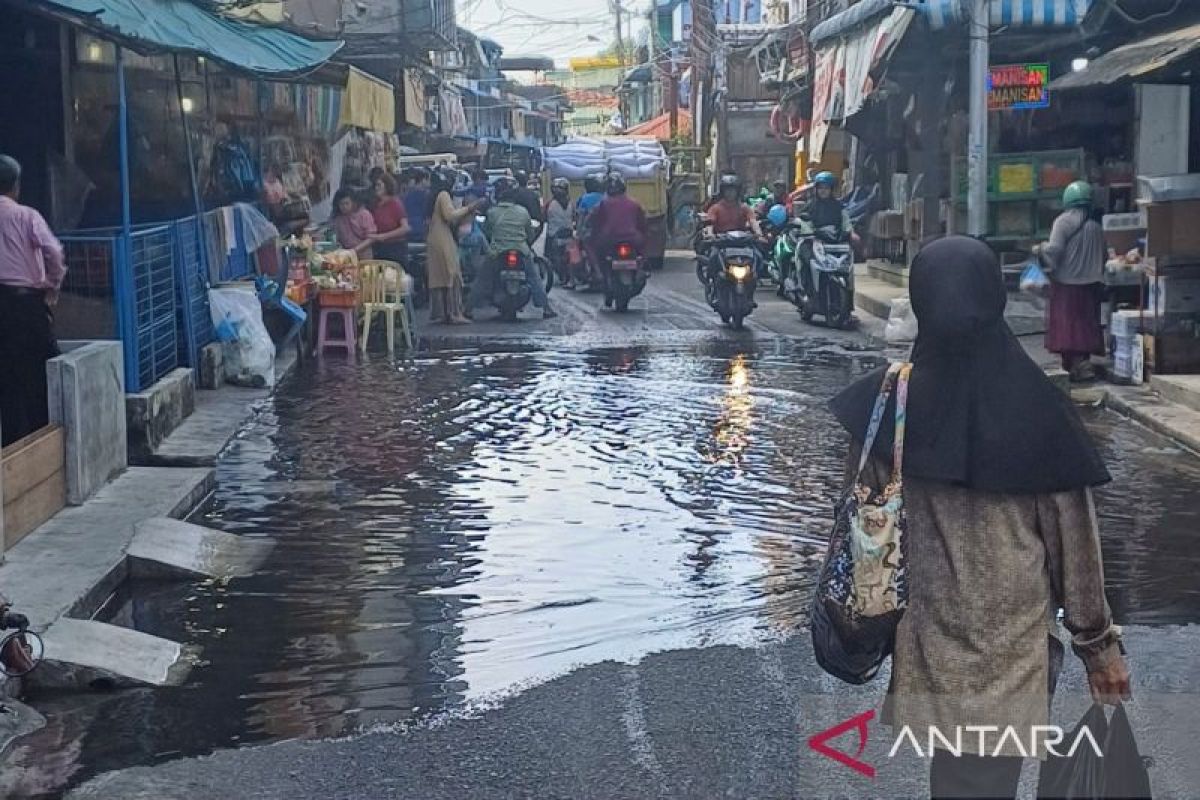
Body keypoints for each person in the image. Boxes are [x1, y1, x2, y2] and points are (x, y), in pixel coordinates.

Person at [829, 236, 1130, 800]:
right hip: (1008, 655)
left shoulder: (889, 403)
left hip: (928, 647)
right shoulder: (1039, 413)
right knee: (982, 782)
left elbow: (861, 515)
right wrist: (1099, 648)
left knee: (959, 781)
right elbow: (1077, 552)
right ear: (995, 297)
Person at [0, 155, 65, 447]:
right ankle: (42, 445)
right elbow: (54, 253)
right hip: (27, 305)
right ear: (15, 186)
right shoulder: (27, 216)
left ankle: (12, 450)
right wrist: (53, 285)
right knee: (41, 373)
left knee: (7, 379)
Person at [1037, 181, 1106, 382]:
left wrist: (1040, 249)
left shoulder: (1063, 221)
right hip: (1091, 286)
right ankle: (1079, 364)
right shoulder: (1095, 226)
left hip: (1067, 285)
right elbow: (1103, 256)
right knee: (1085, 325)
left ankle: (1078, 366)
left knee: (1069, 328)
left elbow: (1054, 251)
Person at [478, 177, 556, 319]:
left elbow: (487, 231)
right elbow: (530, 233)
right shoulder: (523, 212)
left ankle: (468, 309)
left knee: (482, 278)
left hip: (497, 250)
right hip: (521, 250)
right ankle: (546, 309)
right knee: (534, 278)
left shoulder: (492, 212)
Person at [426, 168, 480, 324]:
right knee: (452, 273)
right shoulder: (443, 195)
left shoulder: (433, 196)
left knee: (439, 276)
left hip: (433, 237)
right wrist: (469, 208)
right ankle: (455, 313)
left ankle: (442, 313)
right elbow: (450, 215)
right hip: (443, 237)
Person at [590, 173, 648, 308]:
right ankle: (641, 268)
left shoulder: (603, 204)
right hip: (633, 240)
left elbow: (596, 223)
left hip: (609, 240)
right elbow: (643, 226)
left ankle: (599, 273)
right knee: (644, 245)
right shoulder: (634, 204)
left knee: (595, 249)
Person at [366, 172, 410, 265]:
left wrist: (384, 236)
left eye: (379, 185)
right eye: (375, 185)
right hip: (380, 248)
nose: (376, 188)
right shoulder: (376, 205)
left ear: (387, 186)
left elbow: (405, 228)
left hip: (395, 249)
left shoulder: (395, 204)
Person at [544, 178, 575, 286]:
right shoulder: (571, 203)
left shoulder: (550, 204)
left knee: (549, 255)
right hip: (568, 233)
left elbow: (542, 216)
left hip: (554, 234)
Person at [332, 188, 377, 260]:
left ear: (353, 202)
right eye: (341, 204)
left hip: (364, 255)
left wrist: (354, 250)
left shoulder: (364, 214)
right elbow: (337, 239)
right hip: (346, 256)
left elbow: (371, 238)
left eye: (347, 203)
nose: (344, 207)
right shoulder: (338, 219)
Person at [403, 168, 432, 243]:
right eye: (428, 180)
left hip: (407, 231)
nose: (430, 183)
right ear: (423, 180)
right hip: (421, 231)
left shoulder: (406, 195)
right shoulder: (426, 195)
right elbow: (427, 215)